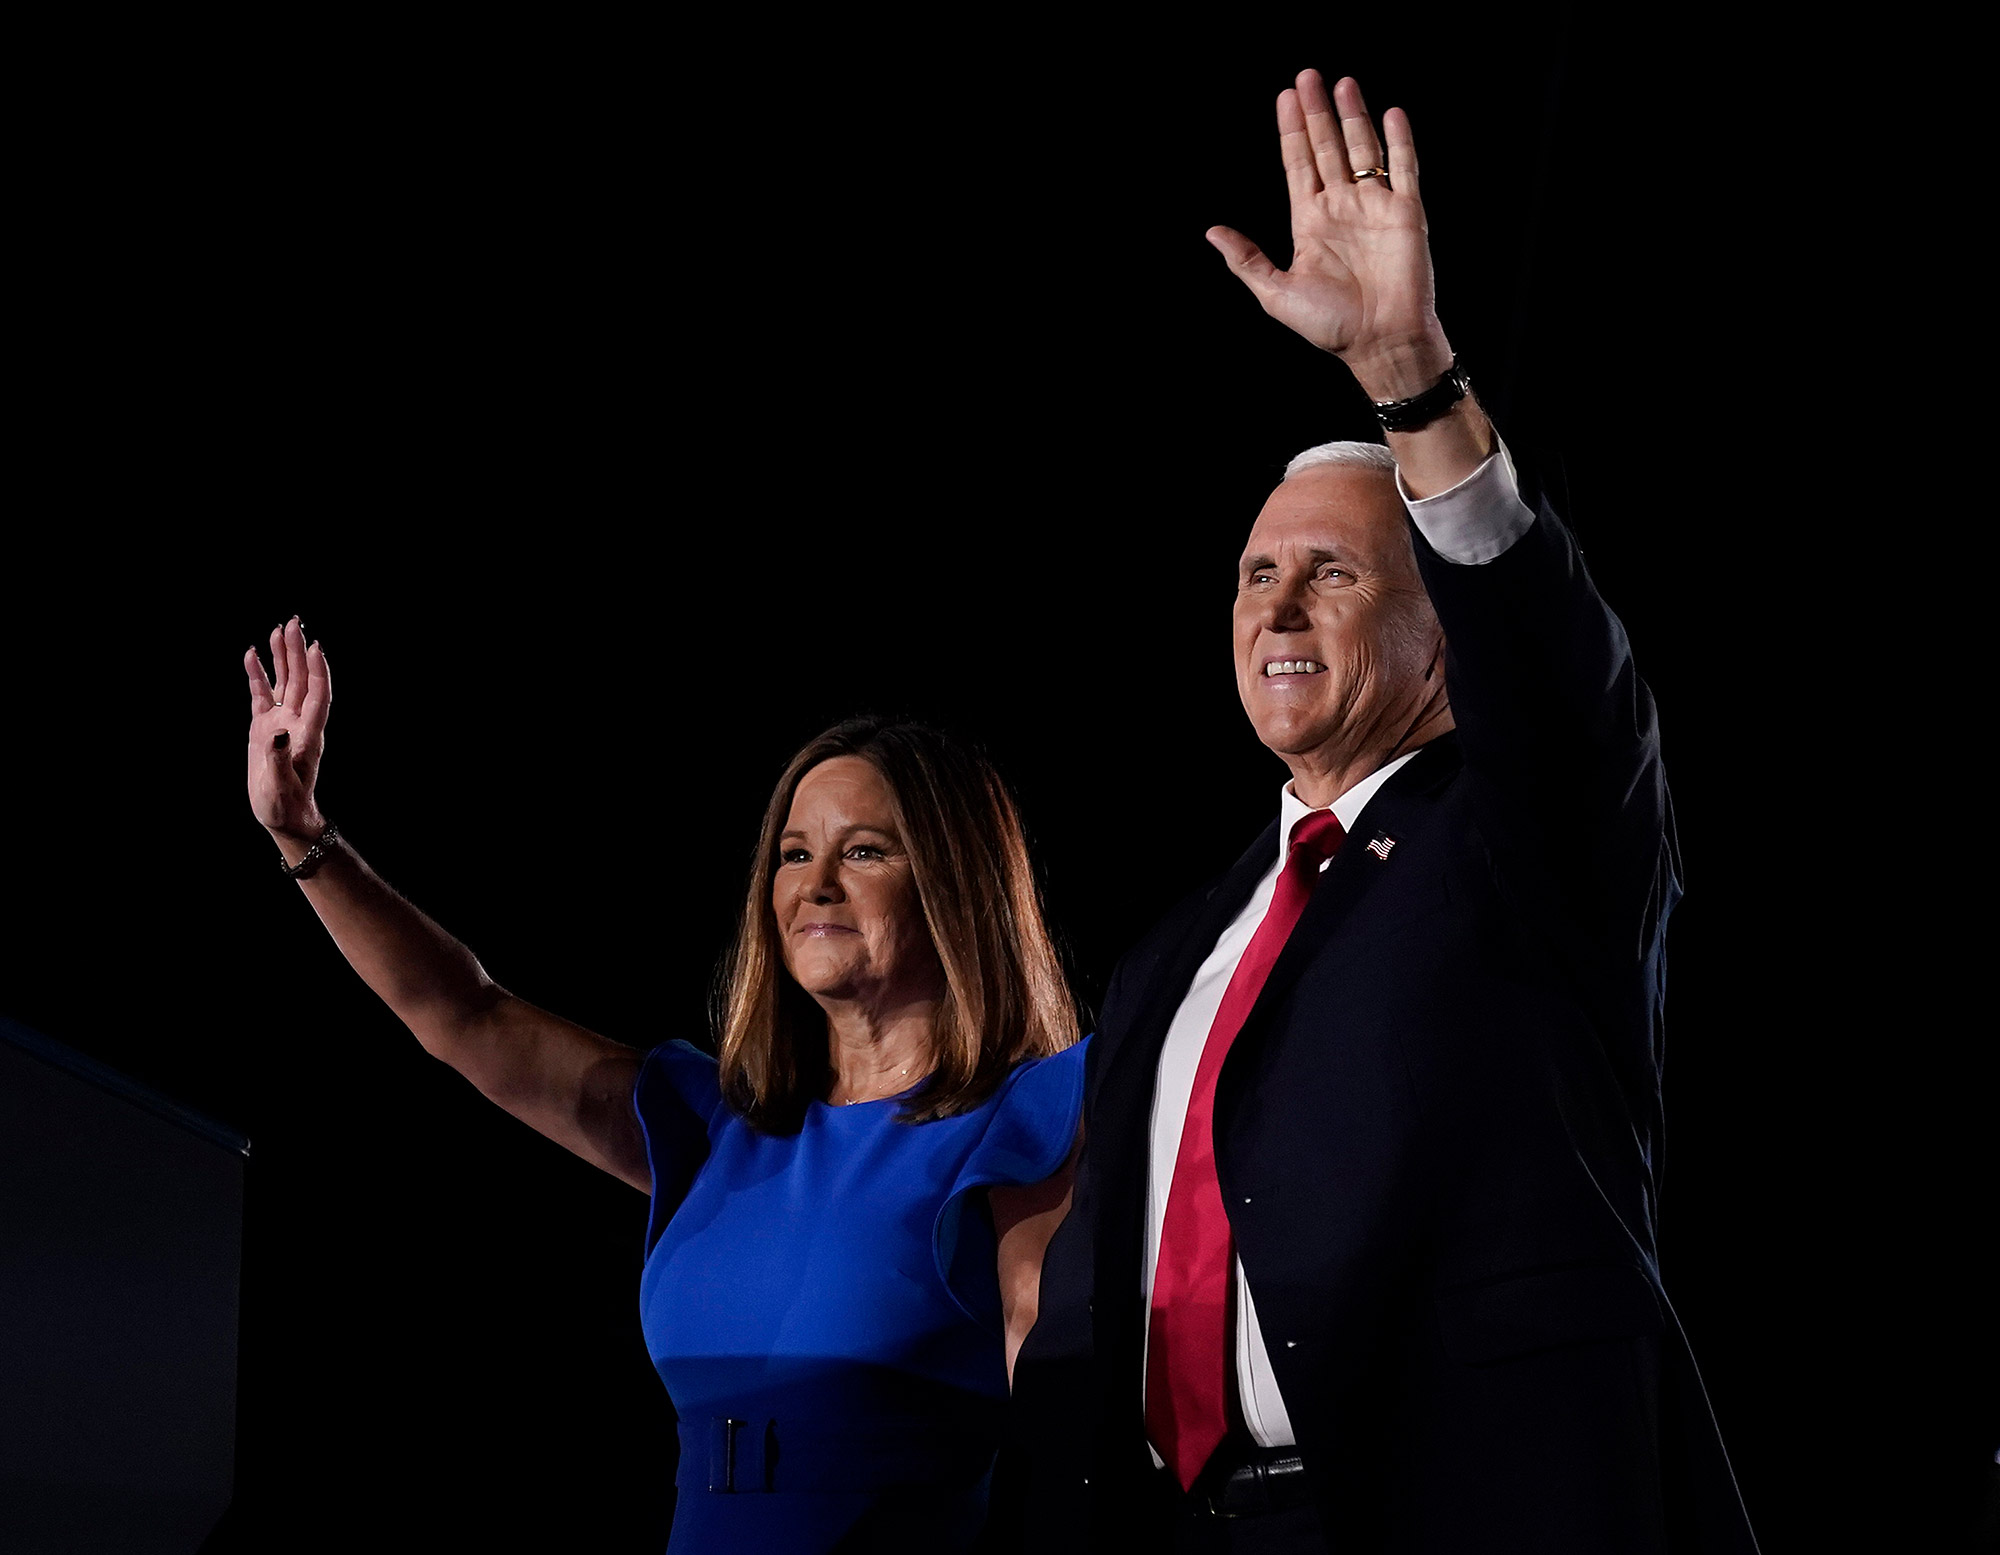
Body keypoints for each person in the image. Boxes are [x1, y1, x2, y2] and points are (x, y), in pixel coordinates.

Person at [1002, 70, 1759, 1552]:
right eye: (1253, 575)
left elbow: (1550, 671)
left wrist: (1412, 379)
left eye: (1335, 573)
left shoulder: (1530, 833)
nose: (1278, 603)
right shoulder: (1179, 947)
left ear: (1441, 637)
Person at [242, 636, 1087, 1554]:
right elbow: (465, 1014)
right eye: (794, 853)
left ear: (955, 885)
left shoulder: (1024, 1120)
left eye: (867, 850)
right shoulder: (717, 1123)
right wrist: (303, 835)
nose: (816, 885)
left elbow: (1075, 1440)